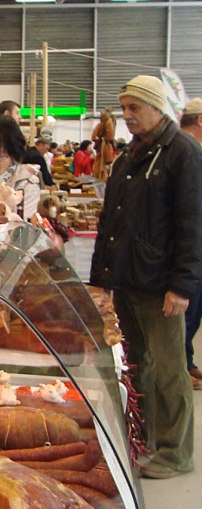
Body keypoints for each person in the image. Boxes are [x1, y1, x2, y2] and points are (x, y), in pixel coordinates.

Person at [91, 75, 202, 479]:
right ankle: (146, 440)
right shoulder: (130, 156)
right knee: (138, 365)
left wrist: (182, 286)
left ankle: (175, 453)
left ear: (157, 108)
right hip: (128, 279)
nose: (127, 116)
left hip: (161, 285)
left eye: (134, 108)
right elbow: (112, 220)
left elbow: (193, 226)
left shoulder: (182, 154)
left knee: (171, 370)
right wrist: (102, 275)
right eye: (123, 108)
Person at [179, 97, 202, 389]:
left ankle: (187, 361)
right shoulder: (187, 152)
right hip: (189, 246)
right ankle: (180, 367)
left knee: (193, 310)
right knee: (186, 309)